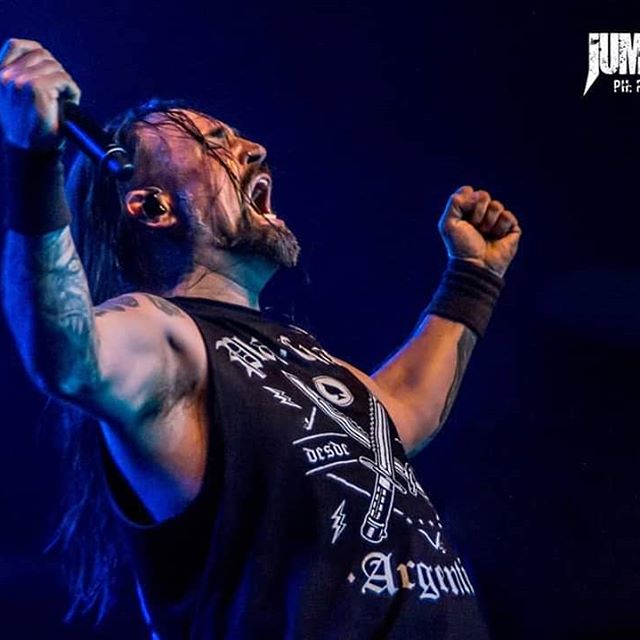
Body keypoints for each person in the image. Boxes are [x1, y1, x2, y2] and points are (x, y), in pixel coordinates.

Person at [0, 38, 521, 639]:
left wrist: (473, 278)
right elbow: (68, 352)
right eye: (214, 143)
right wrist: (34, 159)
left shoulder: (301, 355)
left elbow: (403, 405)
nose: (254, 148)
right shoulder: (163, 334)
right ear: (154, 207)